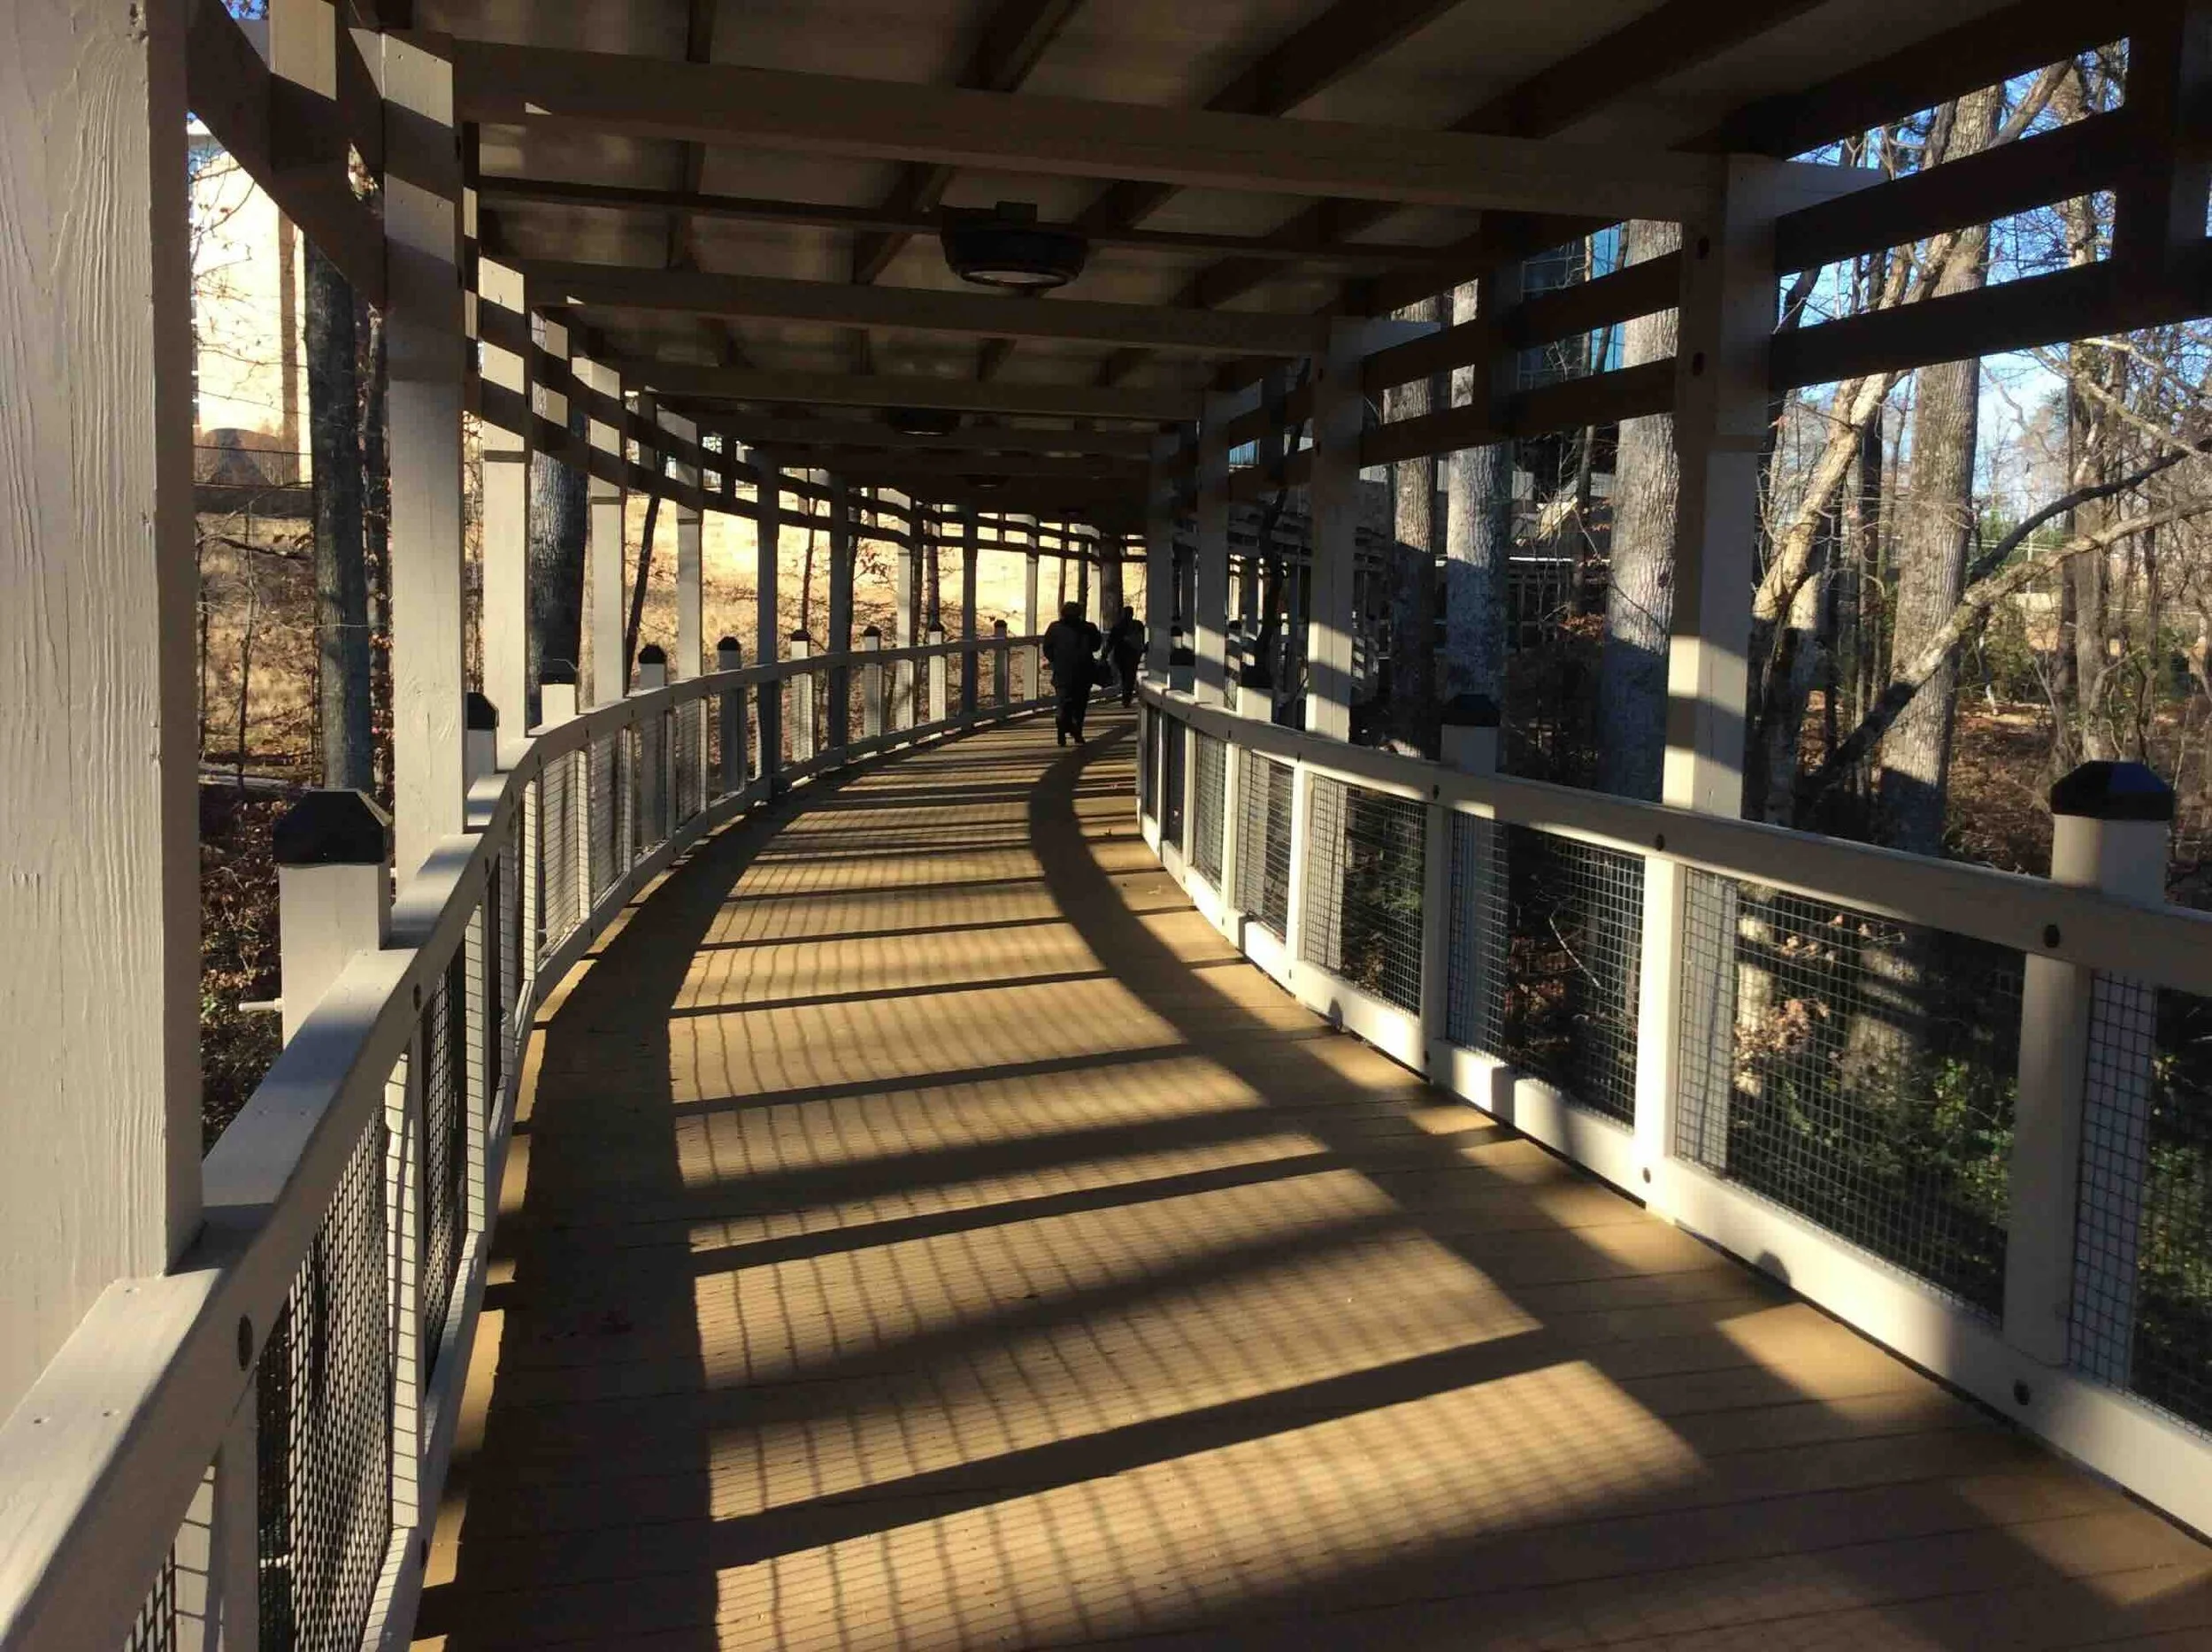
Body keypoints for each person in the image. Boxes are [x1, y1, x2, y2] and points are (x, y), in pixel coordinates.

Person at [1041, 599, 1103, 746]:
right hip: (1084, 672)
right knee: (1080, 705)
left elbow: (1047, 648)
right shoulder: (1089, 628)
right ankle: (1077, 732)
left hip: (1062, 673)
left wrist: (1056, 660)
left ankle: (1063, 728)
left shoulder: (1055, 628)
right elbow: (1096, 646)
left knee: (1063, 703)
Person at [1103, 604, 1146, 708]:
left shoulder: (1118, 626)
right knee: (1130, 678)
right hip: (1133, 655)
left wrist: (1104, 654)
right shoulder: (1138, 625)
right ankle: (1127, 698)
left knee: (1123, 676)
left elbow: (1111, 642)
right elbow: (1142, 640)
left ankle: (1125, 697)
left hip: (1120, 655)